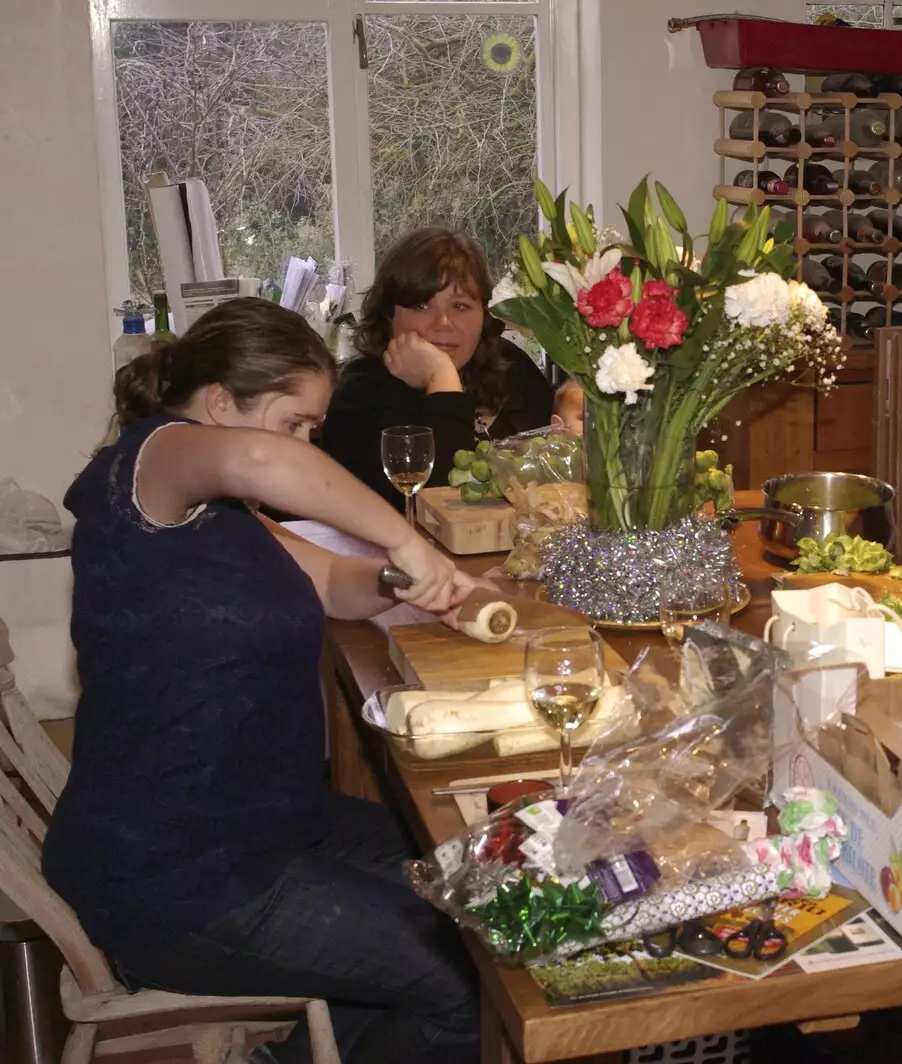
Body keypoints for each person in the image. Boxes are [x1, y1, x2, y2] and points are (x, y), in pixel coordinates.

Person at [42, 298, 481, 1064]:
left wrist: (396, 579)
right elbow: (255, 459)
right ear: (219, 404)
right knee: (464, 981)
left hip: (262, 827)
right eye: (295, 424)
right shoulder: (154, 461)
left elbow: (338, 587)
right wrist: (408, 540)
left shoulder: (226, 514)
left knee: (475, 873)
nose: (304, 445)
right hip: (174, 879)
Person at [320, 227, 555, 509]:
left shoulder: (512, 368)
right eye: (421, 306)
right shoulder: (361, 393)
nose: (443, 322)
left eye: (460, 305)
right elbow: (438, 508)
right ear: (389, 315)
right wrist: (441, 378)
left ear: (484, 313)